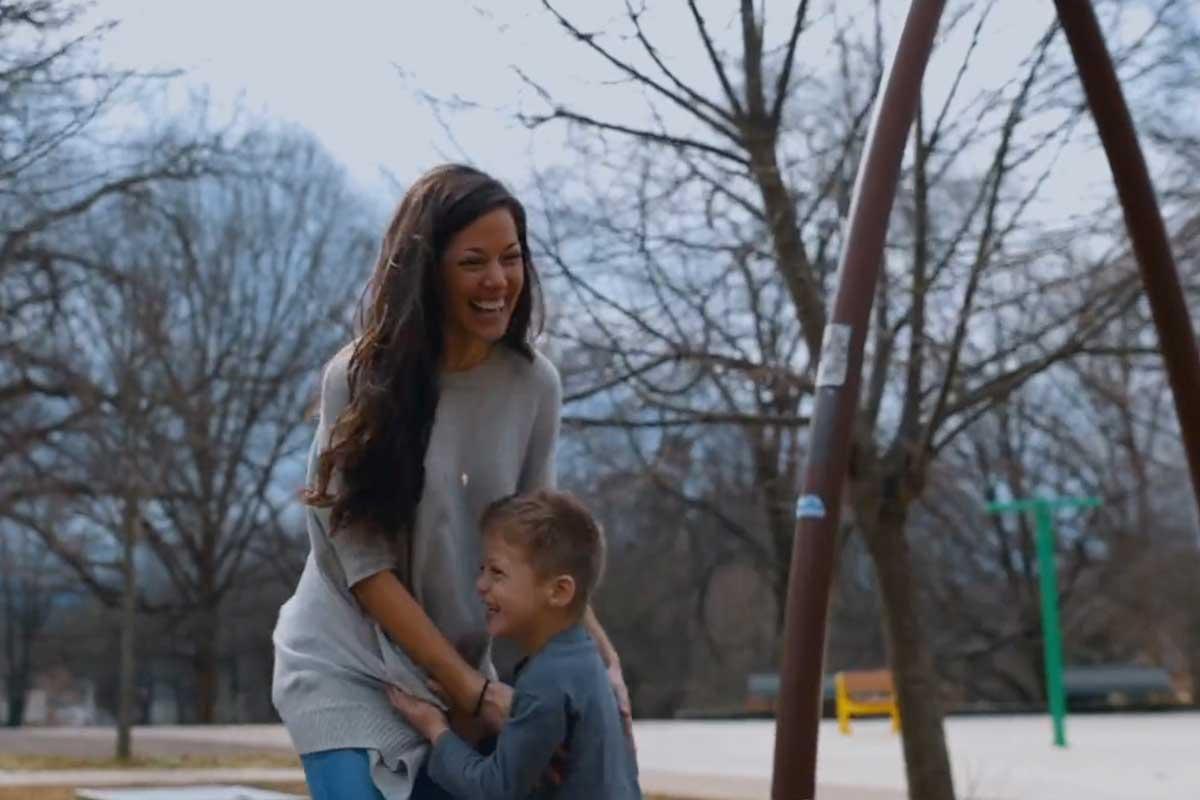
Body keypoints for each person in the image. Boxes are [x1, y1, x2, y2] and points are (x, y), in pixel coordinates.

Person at [271, 164, 631, 800]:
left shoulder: (534, 384)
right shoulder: (358, 381)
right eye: (473, 262)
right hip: (349, 663)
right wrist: (473, 692)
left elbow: (539, 555)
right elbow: (363, 567)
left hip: (464, 674)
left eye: (511, 258)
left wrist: (598, 667)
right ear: (427, 270)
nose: (498, 281)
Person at [387, 489, 641, 800]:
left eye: (497, 572)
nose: (481, 586)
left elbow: (495, 789)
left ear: (559, 591)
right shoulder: (586, 662)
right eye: (482, 570)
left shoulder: (547, 679)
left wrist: (436, 730)